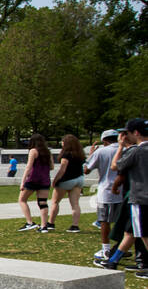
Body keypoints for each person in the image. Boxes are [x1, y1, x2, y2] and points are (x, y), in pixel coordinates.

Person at [94, 119, 148, 278]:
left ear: (136, 133)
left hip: (140, 198)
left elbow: (115, 166)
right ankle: (113, 260)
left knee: (144, 233)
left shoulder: (136, 151)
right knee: (130, 232)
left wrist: (120, 146)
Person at [86, 129, 123, 261]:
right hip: (124, 190)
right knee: (123, 222)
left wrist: (91, 155)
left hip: (106, 190)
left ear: (104, 140)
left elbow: (86, 169)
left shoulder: (101, 151)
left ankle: (106, 250)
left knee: (104, 221)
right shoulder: (125, 150)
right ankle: (122, 247)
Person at [49, 134, 86, 231]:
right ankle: (75, 225)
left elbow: (62, 170)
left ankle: (51, 223)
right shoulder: (80, 154)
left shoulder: (66, 155)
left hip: (67, 179)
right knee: (75, 204)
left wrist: (55, 180)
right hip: (79, 179)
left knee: (55, 202)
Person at [17, 134, 52, 231]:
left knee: (22, 200)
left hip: (33, 179)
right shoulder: (48, 152)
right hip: (45, 180)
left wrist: (23, 181)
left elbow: (28, 167)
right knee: (43, 202)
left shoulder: (33, 151)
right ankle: (44, 226)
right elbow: (52, 167)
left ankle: (30, 222)